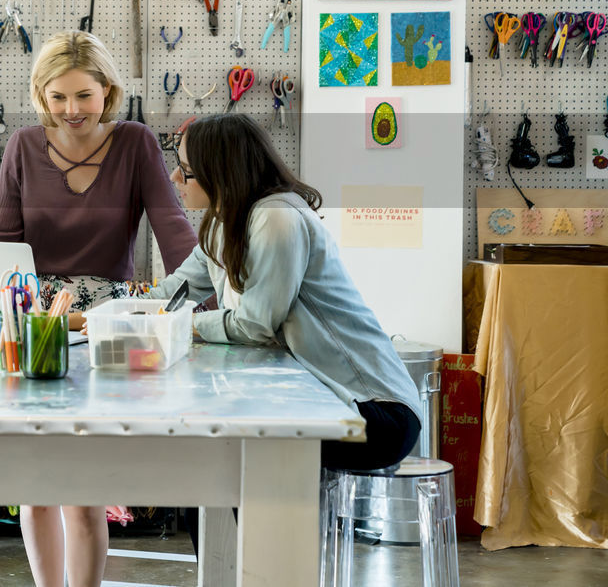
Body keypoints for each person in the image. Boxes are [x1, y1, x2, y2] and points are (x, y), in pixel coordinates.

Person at [0, 30, 196, 587]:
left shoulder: (135, 142)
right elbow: (5, 243)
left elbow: (173, 229)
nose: (72, 110)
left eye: (84, 95)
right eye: (58, 97)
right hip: (38, 322)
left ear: (108, 90)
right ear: (40, 95)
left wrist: (209, 298)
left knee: (81, 494)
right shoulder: (23, 147)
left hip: (106, 329)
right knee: (34, 492)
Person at [152, 113, 422, 474]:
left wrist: (186, 323)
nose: (175, 178)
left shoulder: (276, 217)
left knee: (212, 445)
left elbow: (254, 324)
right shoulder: (222, 224)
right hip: (315, 396)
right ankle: (239, 530)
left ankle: (256, 531)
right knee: (208, 443)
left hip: (374, 410)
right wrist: (98, 318)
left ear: (221, 171)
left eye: (185, 169)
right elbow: (169, 295)